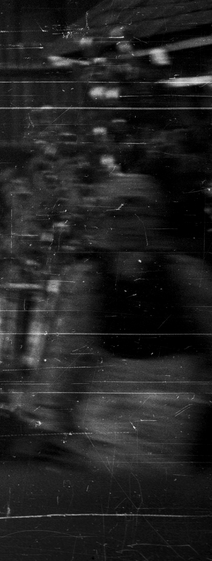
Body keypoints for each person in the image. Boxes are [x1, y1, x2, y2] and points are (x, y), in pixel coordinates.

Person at [33, 171, 212, 471]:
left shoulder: (188, 277)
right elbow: (64, 357)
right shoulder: (87, 282)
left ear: (157, 219)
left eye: (140, 213)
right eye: (119, 214)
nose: (129, 224)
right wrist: (51, 419)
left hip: (172, 434)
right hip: (105, 438)